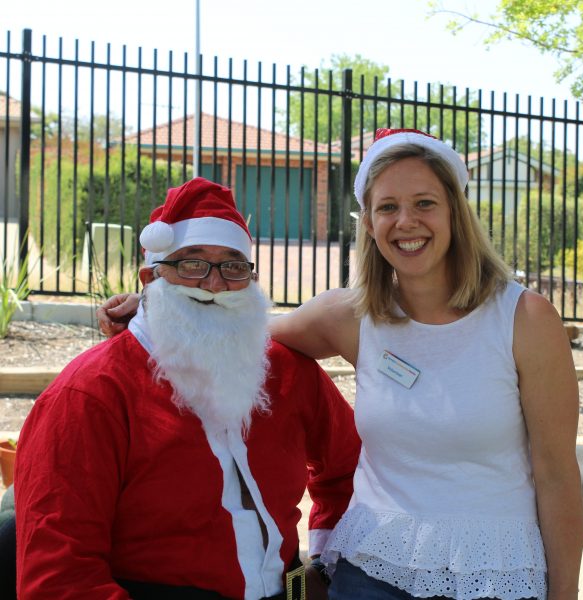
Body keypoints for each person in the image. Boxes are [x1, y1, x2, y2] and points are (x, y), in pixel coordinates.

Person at [97, 129, 583, 600]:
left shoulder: (525, 319)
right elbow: (228, 327)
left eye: (425, 203)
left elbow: (557, 477)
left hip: (494, 572)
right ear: (369, 223)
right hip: (374, 570)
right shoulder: (351, 317)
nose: (406, 221)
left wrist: (565, 595)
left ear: (456, 212)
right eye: (387, 207)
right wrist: (155, 307)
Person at [15, 177, 361, 599]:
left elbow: (352, 467)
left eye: (233, 266)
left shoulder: (287, 370)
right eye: (191, 264)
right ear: (150, 277)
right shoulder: (90, 393)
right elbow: (59, 575)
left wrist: (328, 565)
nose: (214, 284)